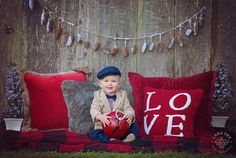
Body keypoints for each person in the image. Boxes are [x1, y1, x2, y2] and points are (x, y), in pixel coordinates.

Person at [90, 66, 138, 143]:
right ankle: (110, 139)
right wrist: (99, 116)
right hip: (104, 126)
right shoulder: (97, 96)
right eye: (106, 81)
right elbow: (94, 109)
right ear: (100, 84)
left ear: (119, 84)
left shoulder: (123, 94)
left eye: (114, 81)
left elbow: (128, 108)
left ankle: (130, 136)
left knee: (134, 127)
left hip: (121, 126)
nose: (110, 84)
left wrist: (129, 115)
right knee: (95, 134)